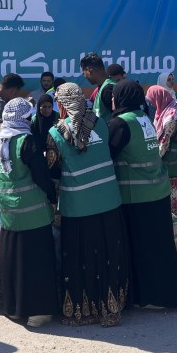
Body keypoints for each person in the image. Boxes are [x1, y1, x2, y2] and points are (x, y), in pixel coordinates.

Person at [46, 83, 128, 326]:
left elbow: (52, 173)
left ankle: (81, 312)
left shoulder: (56, 134)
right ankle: (111, 309)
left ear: (61, 105)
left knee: (80, 257)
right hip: (108, 200)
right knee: (107, 254)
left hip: (77, 206)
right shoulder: (100, 123)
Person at [109, 80, 177, 309]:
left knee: (140, 249)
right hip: (157, 190)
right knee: (159, 247)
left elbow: (106, 154)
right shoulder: (143, 117)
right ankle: (167, 295)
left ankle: (146, 297)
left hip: (136, 195)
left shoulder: (120, 123)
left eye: (114, 96)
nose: (112, 100)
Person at [0, 98, 57, 327]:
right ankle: (37, 311)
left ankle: (12, 307)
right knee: (36, 262)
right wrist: (53, 195)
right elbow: (41, 176)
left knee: (13, 260)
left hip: (9, 212)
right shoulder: (25, 141)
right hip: (32, 213)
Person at [145, 85, 177, 222]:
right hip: (172, 163)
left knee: (174, 202)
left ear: (159, 98)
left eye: (153, 101)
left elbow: (164, 142)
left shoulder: (171, 117)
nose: (152, 105)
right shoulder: (165, 112)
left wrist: (153, 160)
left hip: (172, 166)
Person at [80, 53, 115, 122]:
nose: (85, 77)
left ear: (89, 70)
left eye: (84, 73)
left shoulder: (108, 89)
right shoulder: (102, 88)